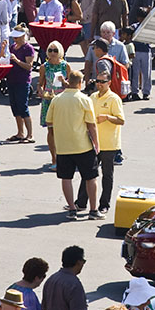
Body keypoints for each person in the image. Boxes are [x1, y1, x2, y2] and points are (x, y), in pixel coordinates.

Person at [46, 69, 100, 220]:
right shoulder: (84, 99)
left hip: (63, 146)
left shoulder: (57, 99)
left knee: (66, 178)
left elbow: (49, 121)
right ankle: (93, 210)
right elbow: (91, 125)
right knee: (91, 177)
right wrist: (96, 143)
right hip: (82, 145)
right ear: (80, 83)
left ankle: (71, 209)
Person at [75, 61, 123, 213]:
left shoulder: (114, 99)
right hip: (92, 143)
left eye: (102, 82)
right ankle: (81, 203)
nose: (99, 84)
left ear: (109, 83)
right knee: (87, 174)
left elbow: (121, 120)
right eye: (97, 81)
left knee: (107, 176)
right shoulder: (92, 97)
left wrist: (108, 117)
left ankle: (104, 205)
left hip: (109, 145)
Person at [6, 25, 37, 143]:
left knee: (23, 107)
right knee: (15, 107)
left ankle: (30, 134)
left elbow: (29, 66)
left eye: (17, 37)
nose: (15, 39)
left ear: (24, 36)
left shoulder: (28, 48)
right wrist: (4, 50)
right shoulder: (12, 47)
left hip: (22, 81)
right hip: (11, 80)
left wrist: (17, 60)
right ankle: (20, 133)